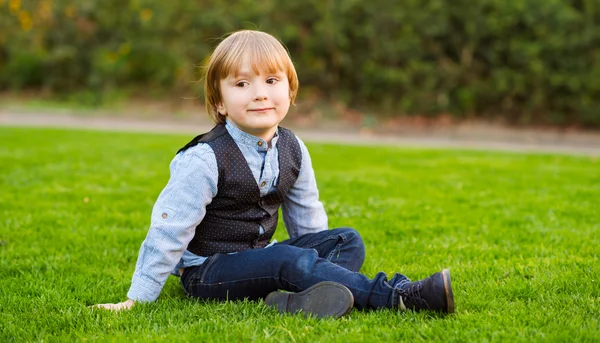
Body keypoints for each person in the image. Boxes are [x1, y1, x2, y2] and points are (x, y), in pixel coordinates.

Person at [94, 30, 454, 317]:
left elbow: (308, 219)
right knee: (287, 260)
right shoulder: (204, 158)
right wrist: (137, 297)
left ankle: (296, 299)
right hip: (207, 272)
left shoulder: (293, 148)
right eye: (241, 84)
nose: (259, 94)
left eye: (271, 81)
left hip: (261, 259)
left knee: (346, 240)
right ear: (220, 102)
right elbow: (168, 229)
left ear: (290, 90)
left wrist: (313, 260)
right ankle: (401, 296)